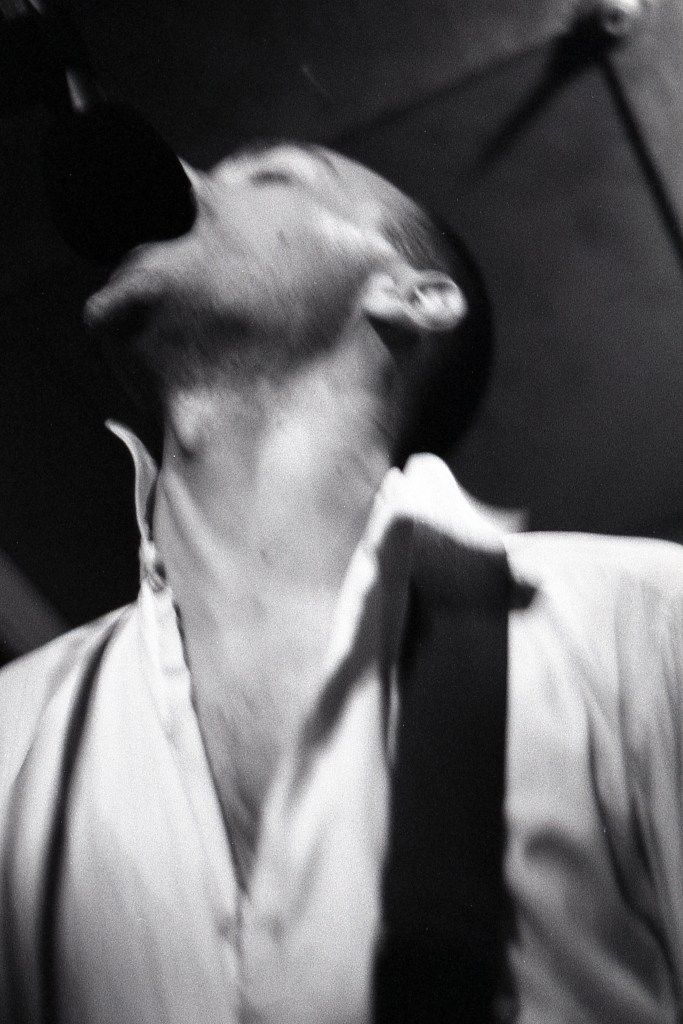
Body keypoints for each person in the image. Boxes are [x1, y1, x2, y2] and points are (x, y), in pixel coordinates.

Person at [1, 142, 683, 1024]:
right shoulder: (11, 727)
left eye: (273, 174)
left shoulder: (644, 621)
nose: (180, 177)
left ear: (412, 294)